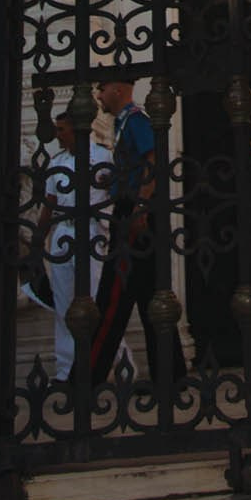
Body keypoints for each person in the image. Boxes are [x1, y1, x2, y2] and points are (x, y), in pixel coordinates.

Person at [89, 79, 186, 385]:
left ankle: (89, 375)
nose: (99, 95)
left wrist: (140, 207)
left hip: (135, 215)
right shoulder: (125, 123)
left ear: (117, 89)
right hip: (133, 209)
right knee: (150, 297)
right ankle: (169, 375)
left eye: (102, 88)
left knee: (114, 294)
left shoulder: (135, 121)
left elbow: (154, 161)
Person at [31, 109, 111, 382]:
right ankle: (67, 371)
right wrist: (39, 237)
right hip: (63, 233)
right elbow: (50, 203)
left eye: (62, 129)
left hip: (91, 232)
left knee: (93, 298)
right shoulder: (58, 162)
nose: (57, 134)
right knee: (64, 302)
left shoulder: (102, 157)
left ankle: (102, 365)